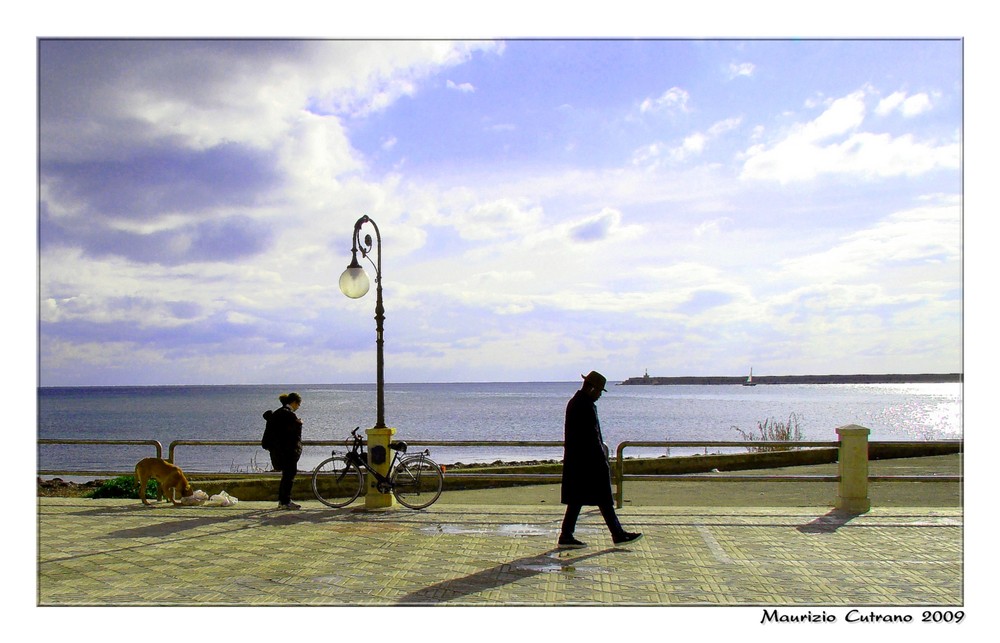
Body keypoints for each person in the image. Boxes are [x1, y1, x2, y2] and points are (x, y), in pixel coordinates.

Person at [558, 371, 643, 548]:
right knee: (602, 499)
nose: (599, 396)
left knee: (578, 499)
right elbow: (592, 437)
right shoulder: (585, 406)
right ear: (592, 388)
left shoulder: (577, 403)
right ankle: (617, 534)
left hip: (579, 462)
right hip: (588, 462)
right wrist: (602, 462)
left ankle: (567, 535)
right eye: (599, 391)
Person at [262, 392, 304, 510]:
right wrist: (299, 424)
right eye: (298, 404)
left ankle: (283, 501)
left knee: (286, 477)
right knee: (289, 477)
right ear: (294, 403)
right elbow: (293, 435)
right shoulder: (289, 415)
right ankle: (285, 501)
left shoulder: (277, 413)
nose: (298, 407)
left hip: (277, 451)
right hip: (287, 452)